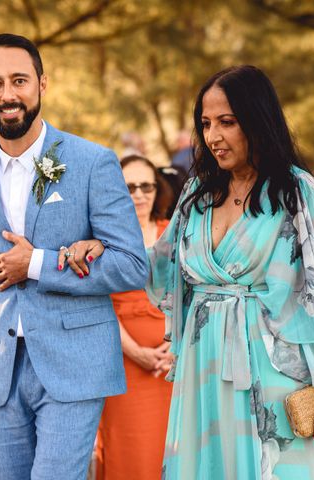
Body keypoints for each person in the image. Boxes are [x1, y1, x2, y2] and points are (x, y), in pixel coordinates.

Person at [0, 33, 147, 480]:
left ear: (42, 84)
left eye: (19, 80)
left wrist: (39, 264)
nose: (8, 94)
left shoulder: (90, 162)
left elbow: (132, 264)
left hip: (74, 362)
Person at [146, 66, 314, 479]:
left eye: (228, 122)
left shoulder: (299, 193)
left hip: (276, 372)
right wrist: (95, 244)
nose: (214, 137)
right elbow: (156, 262)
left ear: (258, 120)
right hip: (205, 369)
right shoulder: (197, 193)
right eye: (206, 124)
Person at [95, 155, 174, 480]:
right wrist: (135, 352)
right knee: (131, 453)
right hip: (123, 361)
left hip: (175, 363)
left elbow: (194, 294)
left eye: (147, 186)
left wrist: (175, 345)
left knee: (173, 453)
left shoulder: (174, 232)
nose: (139, 194)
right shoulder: (101, 239)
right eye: (130, 187)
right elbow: (98, 303)